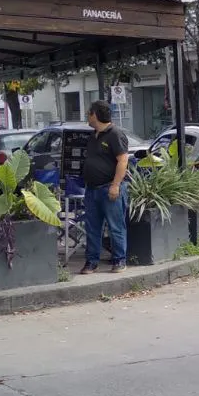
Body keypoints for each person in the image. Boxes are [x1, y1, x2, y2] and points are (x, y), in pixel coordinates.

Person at [81, 100, 130, 274]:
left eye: (89, 112)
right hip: (92, 188)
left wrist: (115, 185)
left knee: (115, 226)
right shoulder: (93, 136)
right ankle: (91, 261)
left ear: (95, 114)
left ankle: (119, 260)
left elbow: (123, 160)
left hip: (109, 187)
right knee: (92, 227)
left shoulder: (115, 134)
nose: (87, 115)